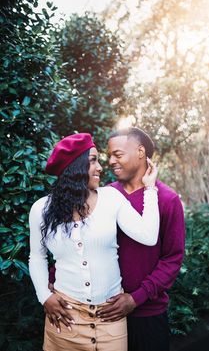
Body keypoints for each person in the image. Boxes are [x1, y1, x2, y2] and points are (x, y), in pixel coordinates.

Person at [28, 132, 160, 351]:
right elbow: (37, 256)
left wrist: (150, 188)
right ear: (75, 167)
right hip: (65, 316)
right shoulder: (41, 209)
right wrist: (44, 296)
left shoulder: (111, 198)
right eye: (93, 161)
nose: (100, 167)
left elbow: (148, 235)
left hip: (110, 317)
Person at [96, 127, 185, 351]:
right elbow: (87, 242)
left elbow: (172, 259)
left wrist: (136, 298)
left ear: (140, 152)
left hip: (148, 316)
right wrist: (53, 276)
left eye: (118, 154)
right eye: (109, 156)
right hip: (105, 311)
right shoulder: (106, 194)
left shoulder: (167, 199)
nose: (111, 162)